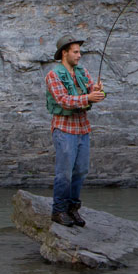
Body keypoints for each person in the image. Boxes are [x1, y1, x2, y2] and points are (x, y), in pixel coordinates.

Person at [45, 34, 106, 227]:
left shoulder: (82, 72)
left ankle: (73, 210)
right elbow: (63, 100)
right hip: (64, 129)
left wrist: (98, 91)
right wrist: (88, 98)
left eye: (79, 52)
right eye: (76, 52)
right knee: (64, 173)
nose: (79, 55)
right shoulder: (53, 75)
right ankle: (59, 211)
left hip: (82, 129)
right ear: (65, 53)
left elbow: (91, 92)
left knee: (81, 171)